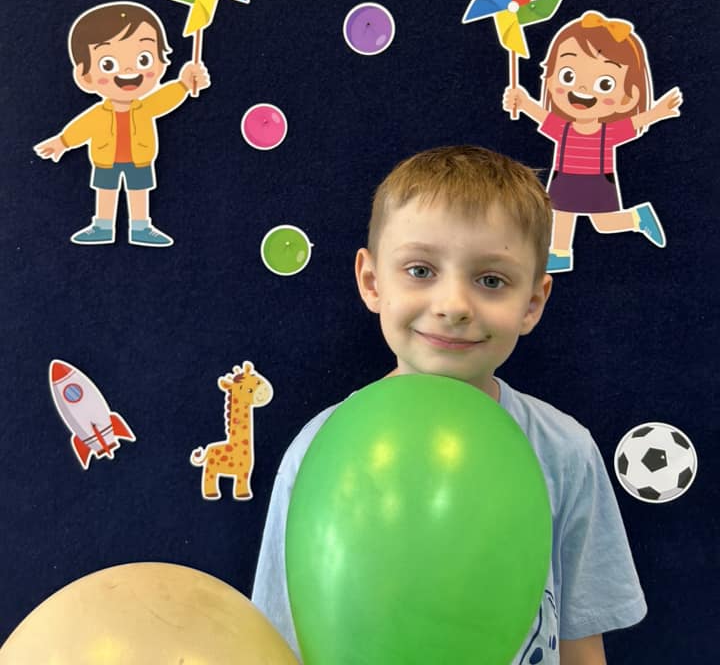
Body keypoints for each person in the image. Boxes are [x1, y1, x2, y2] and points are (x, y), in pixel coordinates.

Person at [252, 145, 646, 665]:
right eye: (420, 270)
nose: (454, 306)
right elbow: (280, 641)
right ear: (372, 282)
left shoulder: (565, 450)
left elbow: (582, 642)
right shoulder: (319, 450)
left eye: (491, 281)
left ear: (532, 302)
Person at [503, 10, 682, 273]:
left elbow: (634, 123)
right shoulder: (563, 128)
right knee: (561, 214)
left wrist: (657, 112)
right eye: (568, 76)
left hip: (597, 180)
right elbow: (541, 114)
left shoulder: (607, 133)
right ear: (550, 77)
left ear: (627, 99)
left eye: (605, 84)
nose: (582, 90)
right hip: (565, 177)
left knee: (603, 224)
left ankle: (637, 218)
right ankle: (561, 254)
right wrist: (522, 101)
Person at [34, 1, 209, 246]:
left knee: (139, 192)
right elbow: (81, 128)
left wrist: (184, 83)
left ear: (161, 63)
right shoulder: (99, 113)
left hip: (140, 158)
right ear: (85, 77)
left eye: (144, 59)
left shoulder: (146, 107)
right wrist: (62, 142)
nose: (128, 69)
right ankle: (102, 226)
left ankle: (141, 227)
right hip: (106, 159)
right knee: (106, 192)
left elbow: (165, 99)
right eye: (108, 64)